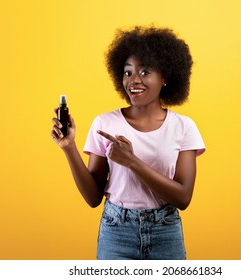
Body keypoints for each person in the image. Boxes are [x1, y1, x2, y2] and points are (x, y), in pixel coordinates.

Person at [51, 26, 205, 260]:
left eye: (144, 72)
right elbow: (93, 198)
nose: (133, 80)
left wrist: (132, 161)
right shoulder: (105, 123)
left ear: (164, 77)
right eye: (127, 72)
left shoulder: (183, 127)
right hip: (116, 232)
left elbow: (183, 198)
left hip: (165, 231)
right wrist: (69, 147)